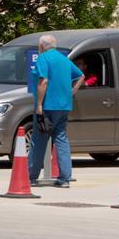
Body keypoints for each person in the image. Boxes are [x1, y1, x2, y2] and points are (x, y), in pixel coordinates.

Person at [29, 34, 85, 188]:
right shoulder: (64, 59)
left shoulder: (43, 58)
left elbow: (43, 81)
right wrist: (72, 92)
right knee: (61, 139)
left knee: (39, 139)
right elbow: (81, 76)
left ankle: (31, 176)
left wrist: (39, 105)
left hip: (48, 106)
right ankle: (65, 178)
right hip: (64, 106)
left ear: (41, 46)